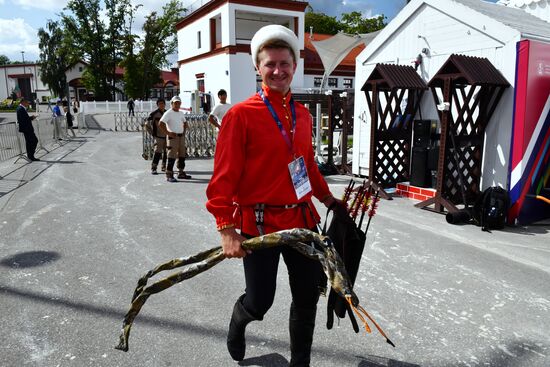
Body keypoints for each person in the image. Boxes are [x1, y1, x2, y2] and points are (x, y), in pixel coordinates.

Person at [205, 25, 341, 367]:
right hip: (260, 224)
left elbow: (306, 166)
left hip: (301, 220)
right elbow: (223, 178)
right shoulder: (240, 115)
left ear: (295, 66)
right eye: (270, 64)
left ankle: (300, 364)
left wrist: (329, 200)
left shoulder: (303, 115)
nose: (278, 70)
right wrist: (226, 228)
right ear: (258, 67)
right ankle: (239, 320)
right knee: (260, 300)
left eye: (285, 63)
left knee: (307, 296)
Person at [158, 96, 192, 182]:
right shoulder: (168, 113)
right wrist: (168, 133)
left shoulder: (180, 113)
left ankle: (180, 172)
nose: (177, 104)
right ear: (172, 103)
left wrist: (184, 132)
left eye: (179, 103)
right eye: (175, 103)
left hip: (181, 137)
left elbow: (185, 122)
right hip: (173, 137)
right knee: (171, 156)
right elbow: (161, 123)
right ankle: (169, 174)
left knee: (182, 155)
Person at [146, 98, 168, 175]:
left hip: (167, 136)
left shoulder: (167, 113)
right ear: (157, 105)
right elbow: (147, 124)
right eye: (160, 104)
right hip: (158, 136)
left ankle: (164, 166)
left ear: (165, 104)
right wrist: (152, 133)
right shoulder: (154, 114)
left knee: (166, 152)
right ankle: (154, 167)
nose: (162, 105)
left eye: (163, 103)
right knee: (157, 152)